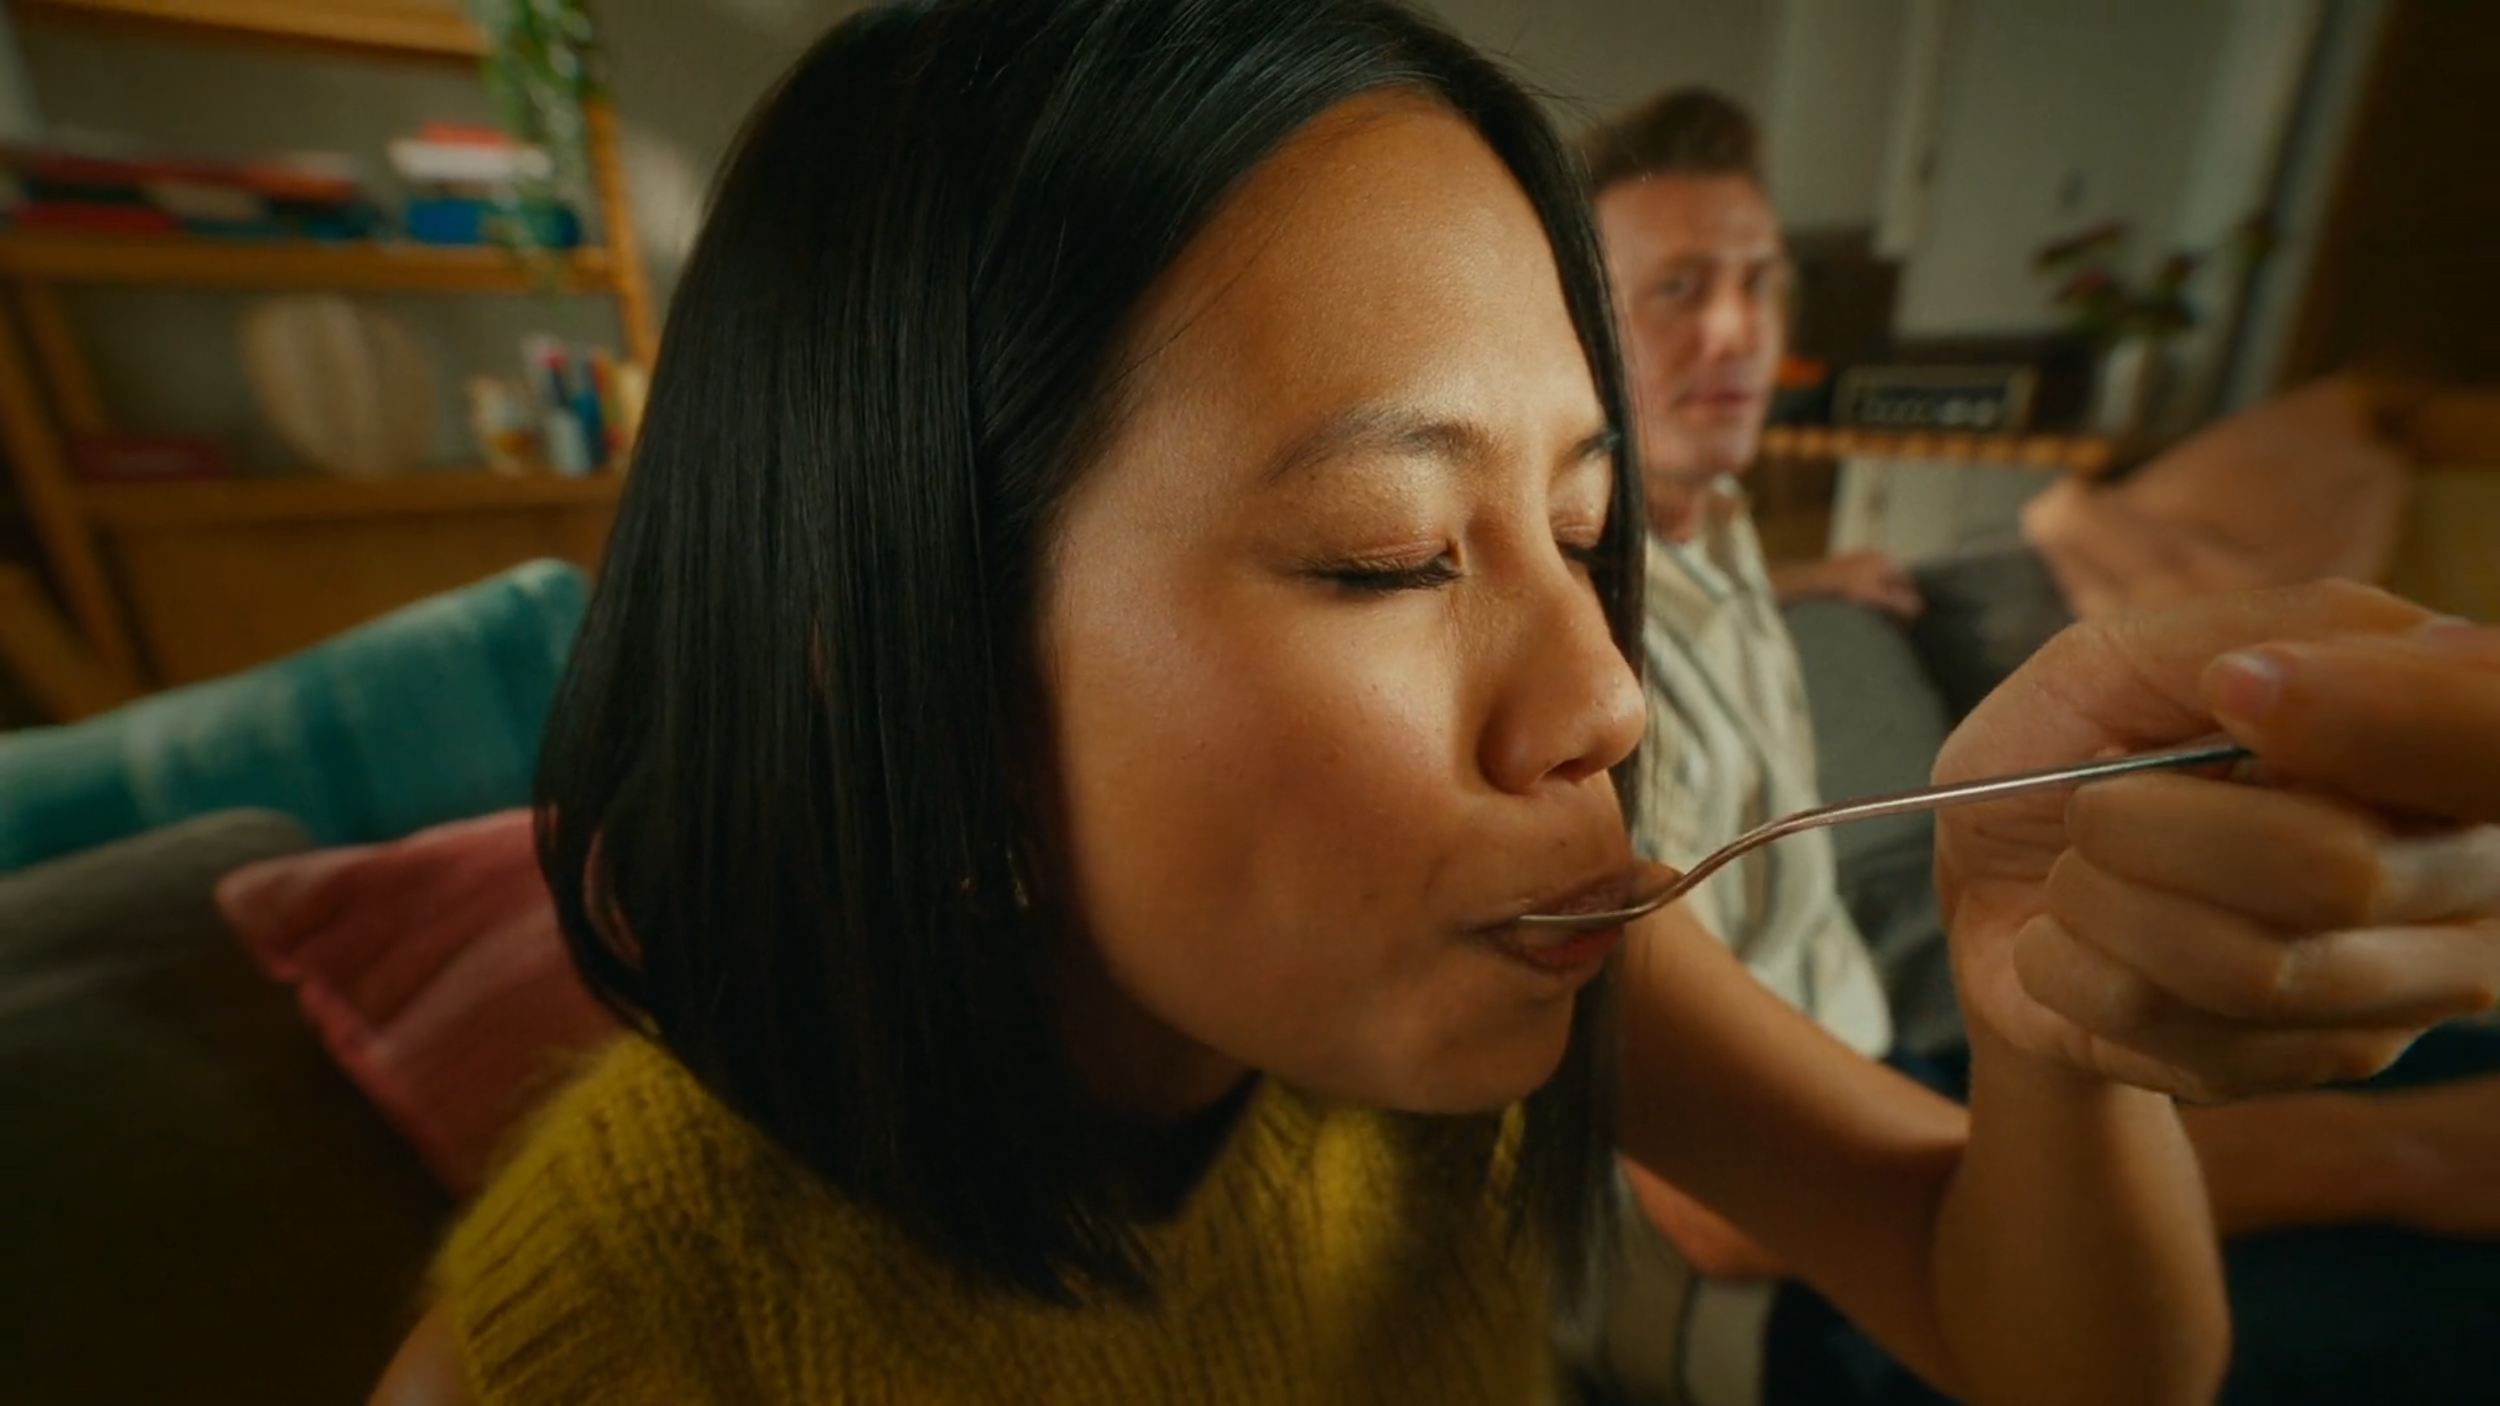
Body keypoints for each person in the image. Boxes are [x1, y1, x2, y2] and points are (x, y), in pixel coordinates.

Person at [373, 5, 2500, 1402]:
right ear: (901, 662)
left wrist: (2048, 1034)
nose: (1595, 696)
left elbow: (2065, 1349)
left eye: (1584, 532)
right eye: (1390, 554)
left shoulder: (1537, 976)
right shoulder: (633, 1308)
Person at [1578, 85, 2500, 1406]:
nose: (1735, 331)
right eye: (1676, 290)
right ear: (1584, 335)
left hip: (1913, 1061)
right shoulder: (1581, 675)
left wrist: (1815, 581)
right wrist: (2381, 1158)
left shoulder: (1714, 522)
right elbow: (1717, 1211)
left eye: (1758, 284)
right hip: (1797, 1254)